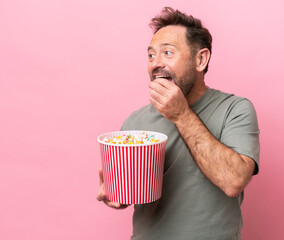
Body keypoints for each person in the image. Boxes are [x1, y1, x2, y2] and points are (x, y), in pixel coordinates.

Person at [97, 7, 260, 240]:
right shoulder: (136, 121)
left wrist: (181, 115)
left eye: (168, 53)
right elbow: (131, 192)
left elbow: (234, 182)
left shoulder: (236, 109)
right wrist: (117, 193)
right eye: (151, 55)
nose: (156, 63)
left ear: (201, 59)